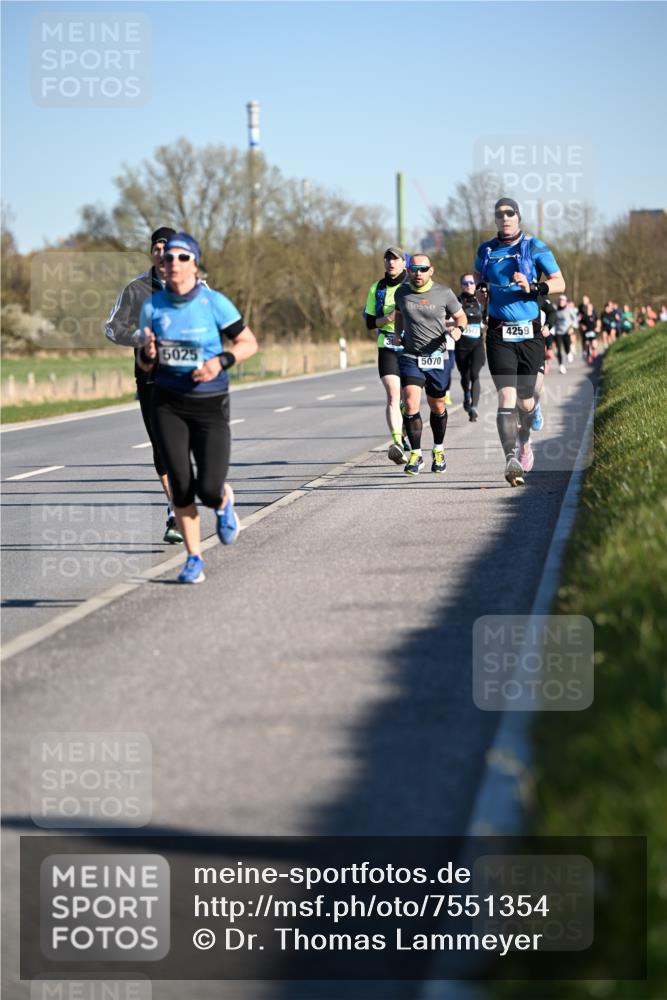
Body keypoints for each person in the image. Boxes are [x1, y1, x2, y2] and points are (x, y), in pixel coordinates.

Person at [138, 232, 258, 584]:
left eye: (182, 258)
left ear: (195, 263)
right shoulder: (152, 306)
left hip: (209, 403)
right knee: (180, 485)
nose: (173, 263)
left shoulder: (213, 302)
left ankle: (222, 503)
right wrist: (147, 356)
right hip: (168, 403)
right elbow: (147, 365)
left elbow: (248, 342)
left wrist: (221, 361)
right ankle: (193, 558)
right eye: (168, 258)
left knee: (207, 487)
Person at [474, 197, 565, 486]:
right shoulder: (486, 249)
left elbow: (560, 282)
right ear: (495, 219)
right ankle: (511, 458)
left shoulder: (535, 246)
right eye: (499, 214)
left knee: (527, 401)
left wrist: (534, 287)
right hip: (499, 333)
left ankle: (524, 439)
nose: (504, 218)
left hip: (530, 333)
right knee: (506, 397)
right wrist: (481, 292)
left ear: (518, 217)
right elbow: (479, 275)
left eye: (509, 213)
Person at [105, 227, 183, 543]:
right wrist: (139, 337)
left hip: (186, 378)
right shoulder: (136, 289)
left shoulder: (193, 286)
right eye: (156, 246)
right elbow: (112, 328)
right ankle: (174, 509)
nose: (160, 251)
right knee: (163, 448)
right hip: (151, 378)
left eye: (167, 246)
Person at [394, 254, 467, 475]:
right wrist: (398, 333)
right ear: (408, 271)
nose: (418, 273)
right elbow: (399, 314)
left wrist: (458, 329)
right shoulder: (401, 292)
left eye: (423, 269)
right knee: (410, 402)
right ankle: (416, 454)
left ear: (431, 271)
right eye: (414, 269)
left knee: (438, 406)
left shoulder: (444, 293)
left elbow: (462, 317)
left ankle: (438, 450)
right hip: (410, 355)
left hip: (437, 356)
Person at [363, 247, 409, 463]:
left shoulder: (412, 286)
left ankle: (406, 424)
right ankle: (397, 443)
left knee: (408, 399)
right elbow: (370, 322)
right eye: (387, 259)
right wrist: (387, 319)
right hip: (387, 345)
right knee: (392, 394)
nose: (391, 263)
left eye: (395, 259)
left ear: (404, 263)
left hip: (411, 346)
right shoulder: (377, 288)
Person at [455, 273, 486, 422]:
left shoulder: (482, 300)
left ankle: (474, 407)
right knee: (465, 377)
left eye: (472, 282)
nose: (469, 285)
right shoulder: (456, 301)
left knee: (474, 374)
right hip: (461, 346)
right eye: (466, 282)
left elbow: (490, 316)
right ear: (461, 285)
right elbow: (446, 319)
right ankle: (466, 394)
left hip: (477, 346)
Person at [552, 294, 576, 374]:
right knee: (558, 349)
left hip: (567, 331)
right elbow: (553, 319)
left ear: (565, 302)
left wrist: (572, 328)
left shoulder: (569, 309)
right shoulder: (556, 310)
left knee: (566, 347)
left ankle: (568, 352)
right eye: (560, 300)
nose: (561, 302)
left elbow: (575, 319)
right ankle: (561, 365)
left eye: (562, 300)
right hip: (558, 332)